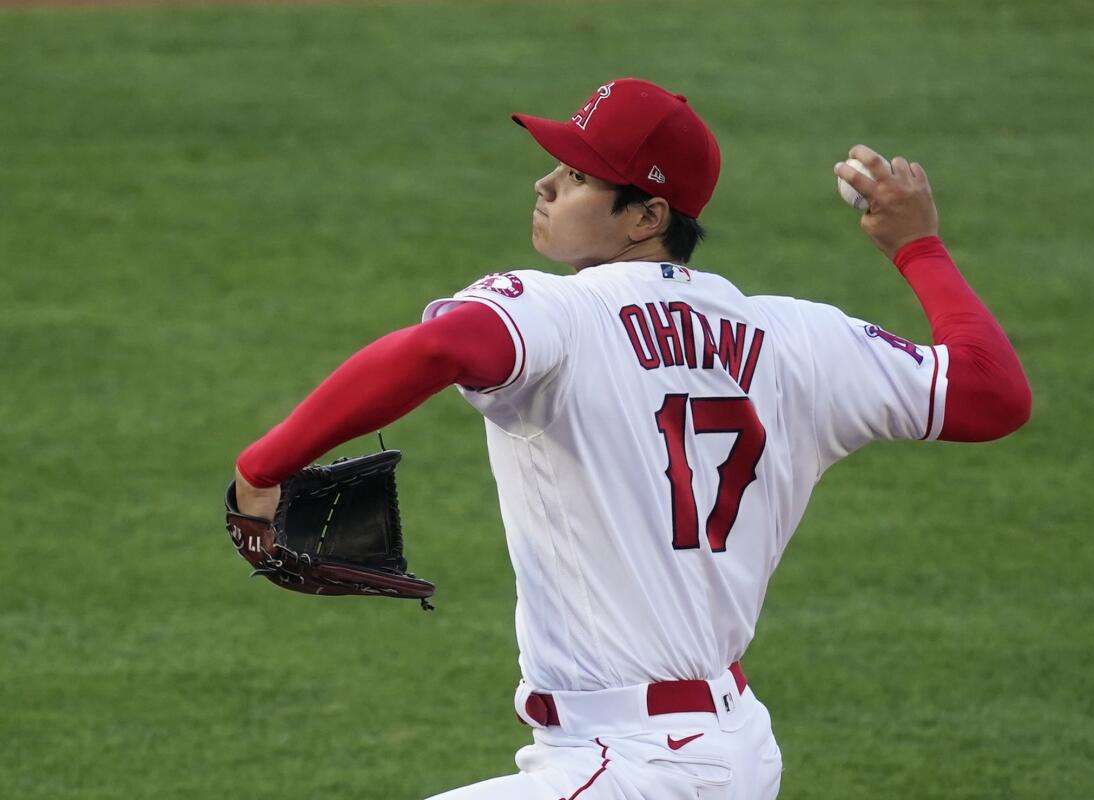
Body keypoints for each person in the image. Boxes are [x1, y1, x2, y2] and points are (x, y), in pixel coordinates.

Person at [232, 78, 1031, 799]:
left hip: (637, 763)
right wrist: (917, 247)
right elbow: (992, 394)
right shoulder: (800, 339)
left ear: (648, 217)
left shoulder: (560, 314)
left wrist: (260, 469)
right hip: (722, 744)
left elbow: (438, 349)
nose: (546, 183)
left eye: (578, 176)